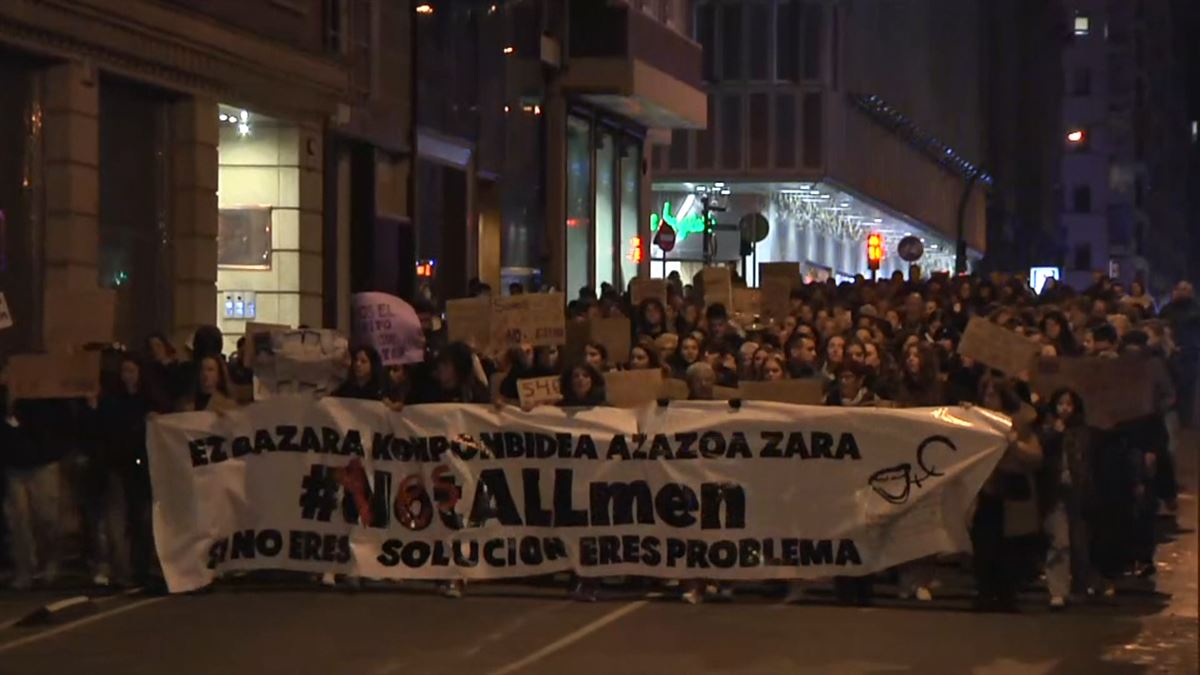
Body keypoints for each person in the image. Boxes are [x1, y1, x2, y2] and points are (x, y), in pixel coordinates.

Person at [83, 354, 163, 587]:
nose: (127, 376)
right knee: (116, 521)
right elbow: (97, 430)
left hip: (141, 468)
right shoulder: (111, 401)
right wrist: (92, 408)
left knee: (141, 520)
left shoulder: (149, 401)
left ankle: (140, 568)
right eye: (124, 371)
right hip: (117, 466)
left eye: (131, 371)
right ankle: (122, 570)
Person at [971, 375, 1043, 612]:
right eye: (986, 393)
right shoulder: (977, 420)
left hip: (1009, 492)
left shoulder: (1019, 424)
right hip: (985, 492)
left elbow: (1035, 457)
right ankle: (985, 592)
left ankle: (1005, 594)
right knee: (984, 546)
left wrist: (1015, 444)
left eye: (993, 393)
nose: (988, 398)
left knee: (1007, 548)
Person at [1, 361, 73, 589]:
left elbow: (57, 423)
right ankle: (25, 569)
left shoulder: (42, 396)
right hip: (13, 465)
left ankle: (49, 561)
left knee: (47, 517)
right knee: (18, 520)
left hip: (42, 462)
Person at [1036, 389, 1100, 607]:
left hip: (1077, 492)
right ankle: (1058, 590)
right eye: (1061, 404)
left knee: (1080, 543)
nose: (1064, 409)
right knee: (1059, 541)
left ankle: (1080, 587)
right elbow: (1040, 454)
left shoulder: (1083, 431)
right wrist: (1054, 434)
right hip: (1055, 492)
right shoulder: (1047, 429)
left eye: (1069, 404)